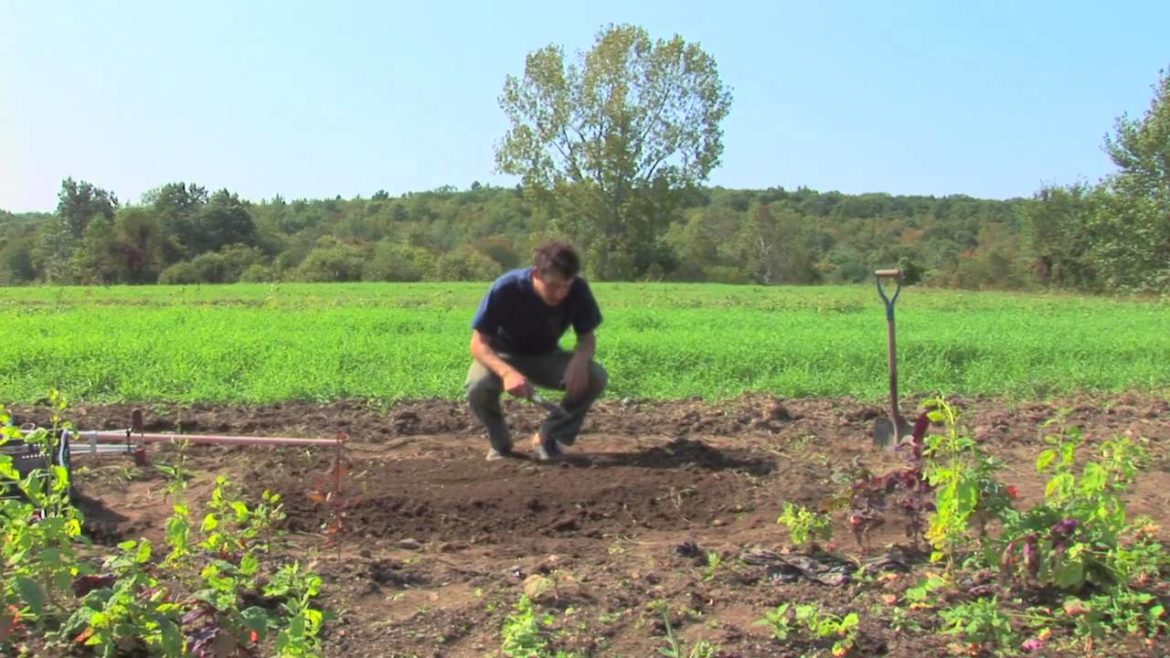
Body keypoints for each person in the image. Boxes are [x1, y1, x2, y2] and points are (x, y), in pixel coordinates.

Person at [466, 240, 608, 461]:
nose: (560, 293)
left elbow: (587, 339)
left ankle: (549, 436)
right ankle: (500, 444)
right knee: (478, 385)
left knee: (595, 376)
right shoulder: (506, 288)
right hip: (502, 356)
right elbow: (478, 343)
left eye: (566, 286)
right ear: (536, 274)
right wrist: (507, 373)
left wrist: (579, 362)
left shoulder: (578, 290)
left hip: (546, 356)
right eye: (553, 286)